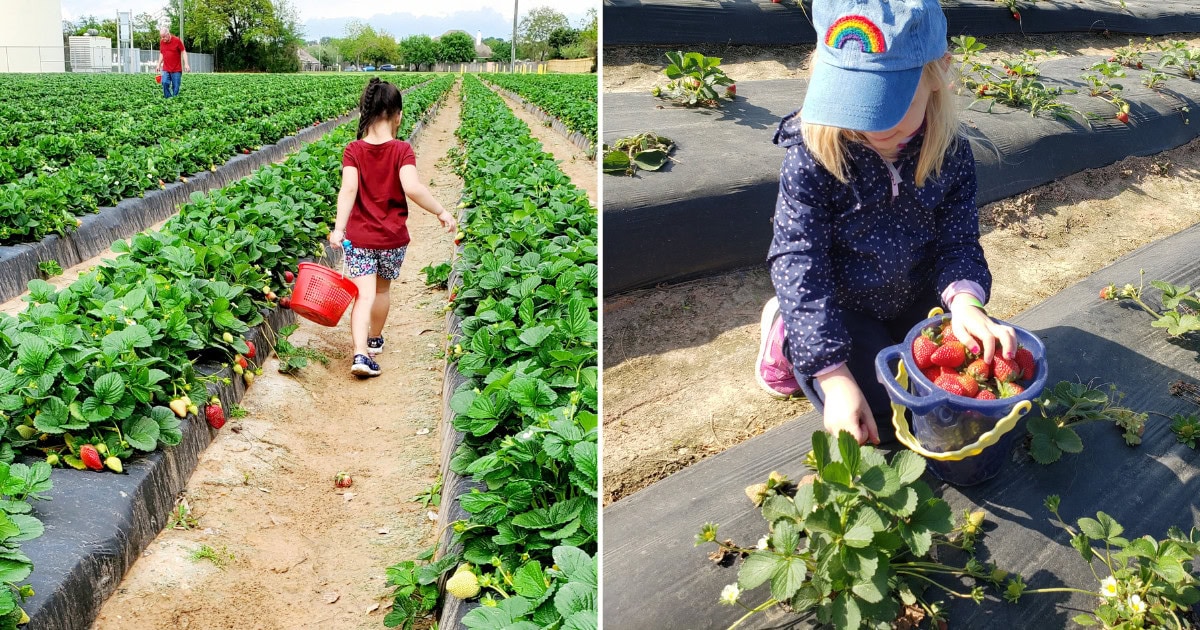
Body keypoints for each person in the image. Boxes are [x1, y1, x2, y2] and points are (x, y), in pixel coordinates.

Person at [754, 0, 1017, 445]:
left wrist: (966, 305)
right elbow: (799, 259)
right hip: (842, 300)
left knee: (936, 395)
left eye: (888, 104)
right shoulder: (813, 158)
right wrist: (833, 376)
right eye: (854, 102)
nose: (872, 128)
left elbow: (958, 242)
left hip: (914, 291)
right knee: (874, 412)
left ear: (938, 75)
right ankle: (787, 333)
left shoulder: (950, 154)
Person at [329, 78, 457, 377]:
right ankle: (374, 339)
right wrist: (441, 211)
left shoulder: (354, 150)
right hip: (392, 239)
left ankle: (360, 354)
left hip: (359, 238)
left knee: (364, 295)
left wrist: (339, 229)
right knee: (382, 291)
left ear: (365, 111)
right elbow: (412, 187)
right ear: (398, 114)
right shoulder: (402, 150)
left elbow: (348, 191)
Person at [155, 25, 189, 98]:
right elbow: (161, 53)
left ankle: (174, 101)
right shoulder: (162, 42)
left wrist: (186, 64)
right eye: (161, 37)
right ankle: (168, 98)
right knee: (164, 82)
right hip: (166, 68)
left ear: (168, 34)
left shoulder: (177, 40)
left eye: (164, 36)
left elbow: (183, 51)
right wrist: (158, 64)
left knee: (176, 87)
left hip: (176, 69)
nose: (162, 38)